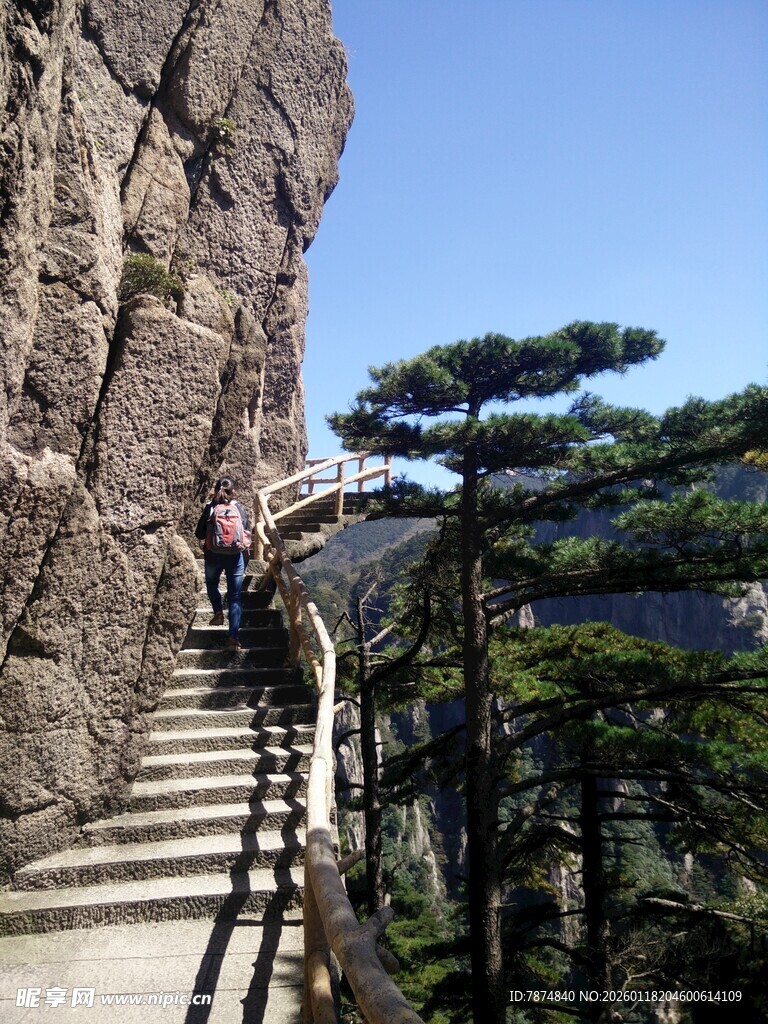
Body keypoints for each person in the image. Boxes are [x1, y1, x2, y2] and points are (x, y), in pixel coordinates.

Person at [195, 478, 252, 651]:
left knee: (212, 584)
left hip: (213, 555)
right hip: (235, 557)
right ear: (233, 491)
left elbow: (199, 534)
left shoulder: (210, 507)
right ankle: (233, 639)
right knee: (235, 597)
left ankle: (218, 612)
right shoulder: (239, 508)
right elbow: (247, 532)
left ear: (215, 490)